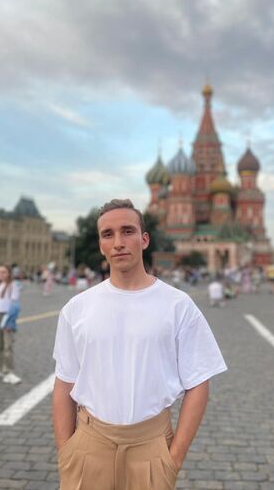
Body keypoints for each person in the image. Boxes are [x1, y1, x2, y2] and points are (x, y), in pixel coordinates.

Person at [52, 199, 227, 490]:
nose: (118, 242)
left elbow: (198, 382)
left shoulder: (178, 305)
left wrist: (173, 460)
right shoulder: (77, 308)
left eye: (127, 231)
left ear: (144, 239)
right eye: (108, 234)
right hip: (89, 445)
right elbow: (64, 382)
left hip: (151, 447)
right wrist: (66, 453)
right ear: (101, 245)